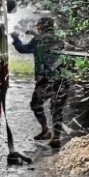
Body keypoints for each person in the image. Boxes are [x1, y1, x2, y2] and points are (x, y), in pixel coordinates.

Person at [11, 15, 69, 148]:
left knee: (36, 105)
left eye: (39, 26)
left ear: (42, 27)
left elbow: (23, 49)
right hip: (62, 79)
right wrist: (35, 35)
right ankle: (55, 137)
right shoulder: (59, 40)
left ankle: (45, 130)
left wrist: (15, 38)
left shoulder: (38, 40)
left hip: (46, 80)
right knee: (57, 109)